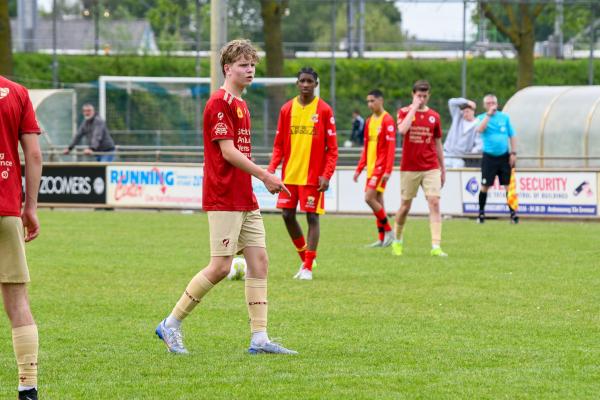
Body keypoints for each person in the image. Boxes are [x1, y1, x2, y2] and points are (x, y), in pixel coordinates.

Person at [155, 39, 297, 355]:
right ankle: (171, 323)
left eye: (253, 65)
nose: (250, 71)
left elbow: (240, 152)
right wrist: (265, 175)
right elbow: (228, 152)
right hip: (223, 197)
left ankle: (259, 338)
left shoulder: (242, 105)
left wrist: (258, 179)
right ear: (227, 68)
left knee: (259, 261)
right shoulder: (219, 103)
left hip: (244, 197)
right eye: (244, 65)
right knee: (220, 267)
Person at [267, 67, 338, 281]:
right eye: (302, 81)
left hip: (312, 177)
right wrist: (270, 170)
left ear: (316, 84)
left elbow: (332, 149)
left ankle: (307, 267)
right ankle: (305, 257)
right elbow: (279, 145)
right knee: (287, 215)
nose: (306, 85)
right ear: (297, 84)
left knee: (312, 217)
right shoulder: (287, 109)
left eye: (309, 81)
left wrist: (326, 174)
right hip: (289, 176)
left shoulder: (324, 110)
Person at [0, 76, 43, 400]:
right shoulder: (17, 92)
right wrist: (30, 207)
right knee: (17, 302)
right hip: (6, 210)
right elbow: (34, 155)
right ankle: (28, 387)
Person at [392, 80, 447, 257]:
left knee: (435, 202)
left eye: (424, 96)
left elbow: (437, 143)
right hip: (410, 167)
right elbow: (402, 130)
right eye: (418, 96)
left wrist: (442, 168)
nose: (422, 99)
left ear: (428, 95)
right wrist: (414, 108)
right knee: (405, 206)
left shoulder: (434, 117)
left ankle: (436, 246)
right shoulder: (404, 112)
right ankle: (397, 240)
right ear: (413, 95)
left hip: (431, 166)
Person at [353, 89, 396, 248]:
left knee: (369, 198)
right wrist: (359, 168)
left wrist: (388, 170)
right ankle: (382, 238)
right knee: (378, 201)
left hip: (380, 167)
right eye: (368, 101)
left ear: (381, 101)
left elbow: (391, 148)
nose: (370, 104)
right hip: (371, 168)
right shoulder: (370, 121)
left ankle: (390, 231)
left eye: (372, 101)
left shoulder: (387, 120)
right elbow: (366, 147)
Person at [476, 94, 518, 224]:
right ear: (484, 105)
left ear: (497, 103)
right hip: (489, 157)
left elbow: (512, 135)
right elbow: (480, 129)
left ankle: (513, 214)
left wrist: (513, 153)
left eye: (493, 103)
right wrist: (488, 115)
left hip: (504, 157)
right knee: (485, 186)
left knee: (508, 186)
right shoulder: (481, 118)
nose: (491, 105)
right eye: (488, 103)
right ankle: (481, 214)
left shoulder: (504, 117)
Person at [443, 98, 482, 168]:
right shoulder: (457, 117)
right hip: (446, 154)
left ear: (473, 111)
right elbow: (451, 102)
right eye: (463, 112)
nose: (464, 114)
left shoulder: (478, 125)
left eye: (467, 111)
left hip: (460, 158)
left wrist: (470, 154)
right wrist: (467, 101)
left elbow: (479, 144)